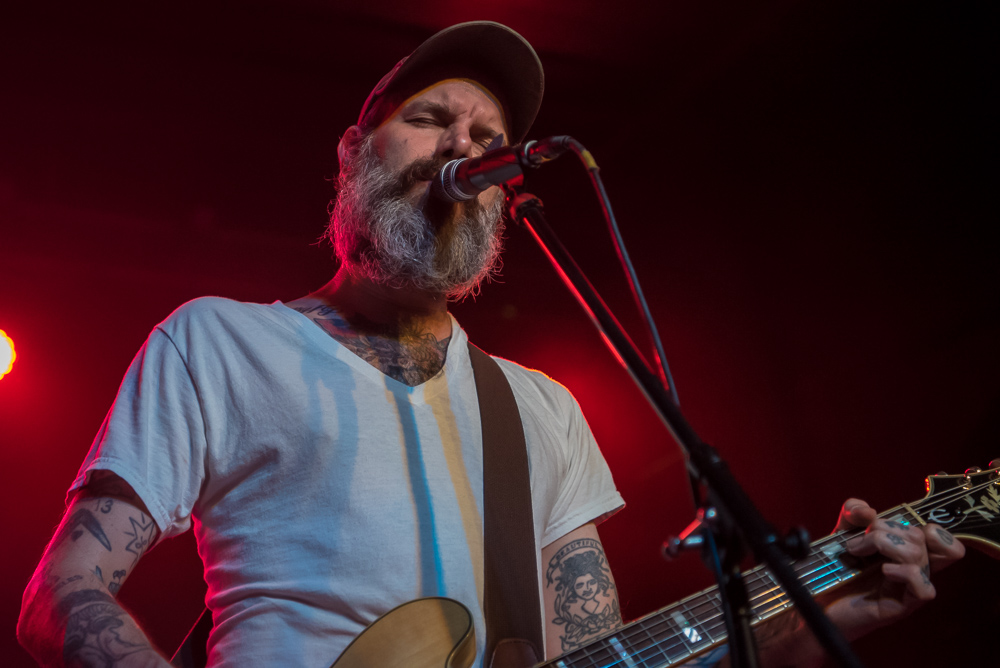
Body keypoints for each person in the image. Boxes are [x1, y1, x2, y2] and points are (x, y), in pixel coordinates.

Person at [17, 21, 964, 668]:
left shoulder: (543, 408)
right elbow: (60, 593)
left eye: (489, 137)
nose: (460, 149)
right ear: (353, 151)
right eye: (430, 119)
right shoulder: (222, 340)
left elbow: (602, 655)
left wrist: (812, 624)